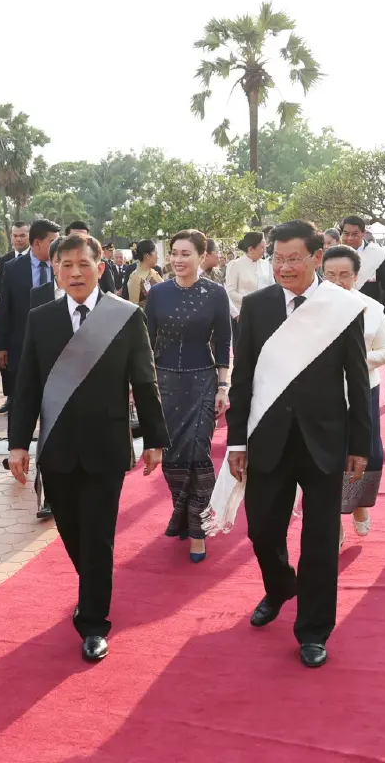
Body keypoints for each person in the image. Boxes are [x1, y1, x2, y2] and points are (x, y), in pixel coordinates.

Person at [7, 233, 169, 662]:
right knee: (72, 531)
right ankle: (94, 586)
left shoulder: (125, 316)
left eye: (83, 264)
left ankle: (94, 621)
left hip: (106, 444)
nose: (75, 273)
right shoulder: (41, 318)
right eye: (66, 265)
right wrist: (18, 444)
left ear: (100, 267)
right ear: (56, 270)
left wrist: (154, 438)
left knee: (98, 537)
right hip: (57, 445)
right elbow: (27, 386)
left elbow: (145, 381)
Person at [223, 220, 370, 669]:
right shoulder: (257, 305)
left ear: (316, 258)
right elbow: (243, 377)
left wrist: (361, 443)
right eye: (277, 259)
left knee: (320, 539)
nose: (284, 267)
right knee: (262, 530)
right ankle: (280, 585)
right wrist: (235, 441)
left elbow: (358, 380)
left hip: (325, 438)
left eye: (294, 259)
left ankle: (313, 630)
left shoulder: (342, 307)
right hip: (268, 437)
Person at [144, 229, 230, 562]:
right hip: (165, 382)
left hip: (202, 381)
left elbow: (223, 342)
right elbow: (147, 342)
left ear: (201, 256)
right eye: (174, 253)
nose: (178, 260)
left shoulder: (215, 293)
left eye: (186, 253)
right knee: (172, 459)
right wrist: (143, 386)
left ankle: (197, 530)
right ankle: (182, 514)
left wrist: (223, 386)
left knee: (198, 455)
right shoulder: (158, 293)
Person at [321, 244, 385, 533]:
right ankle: (333, 521)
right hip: (322, 392)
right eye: (330, 275)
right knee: (327, 454)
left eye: (344, 275)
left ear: (356, 276)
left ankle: (359, 504)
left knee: (365, 450)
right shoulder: (308, 309)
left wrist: (355, 362)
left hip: (362, 390)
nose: (337, 281)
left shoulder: (372, 308)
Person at [0, 220, 60, 415]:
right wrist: (1, 346)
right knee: (20, 403)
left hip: (55, 344)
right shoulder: (13, 268)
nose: (58, 246)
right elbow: (5, 309)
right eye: (53, 242)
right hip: (20, 344)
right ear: (37, 243)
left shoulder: (61, 266)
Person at [338, 217, 385, 402]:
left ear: (363, 233)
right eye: (346, 234)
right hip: (343, 310)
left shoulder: (377, 255)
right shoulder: (337, 253)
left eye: (355, 234)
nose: (350, 238)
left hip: (373, 311)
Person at [225, 230, 274, 334]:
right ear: (251, 249)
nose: (264, 251)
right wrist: (237, 313)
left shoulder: (267, 265)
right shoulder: (236, 265)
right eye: (262, 248)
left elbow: (272, 288)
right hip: (242, 315)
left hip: (264, 316)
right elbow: (230, 292)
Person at [0, 221, 31, 297]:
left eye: (22, 236)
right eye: (15, 236)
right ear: (11, 237)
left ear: (30, 236)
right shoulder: (4, 260)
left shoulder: (37, 257)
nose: (18, 239)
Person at [126, 239, 163, 307]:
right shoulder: (135, 277)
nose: (158, 257)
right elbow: (134, 307)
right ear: (147, 256)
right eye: (156, 253)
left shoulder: (154, 272)